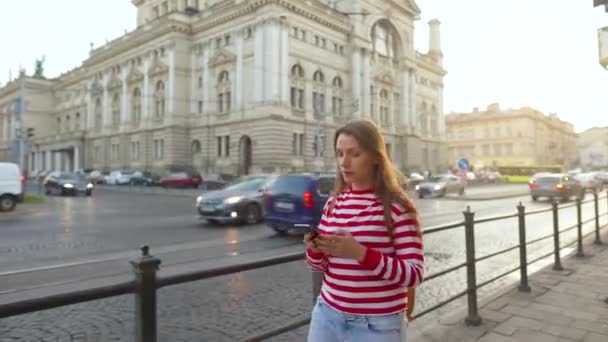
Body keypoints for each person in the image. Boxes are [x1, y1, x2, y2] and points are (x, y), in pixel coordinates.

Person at [305, 119, 424, 342]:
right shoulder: (333, 203)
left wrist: (360, 253)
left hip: (377, 324)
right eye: (340, 154)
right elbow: (317, 266)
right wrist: (315, 249)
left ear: (376, 157)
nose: (344, 162)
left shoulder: (397, 207)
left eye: (354, 154)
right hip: (327, 314)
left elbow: (414, 275)